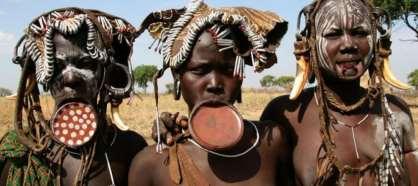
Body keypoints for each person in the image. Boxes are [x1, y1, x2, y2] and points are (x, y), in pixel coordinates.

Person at [128, 0, 290, 185]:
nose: (214, 83)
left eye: (229, 70)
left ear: (241, 76)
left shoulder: (272, 143)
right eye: (200, 70)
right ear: (177, 77)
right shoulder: (151, 164)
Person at [260, 0, 418, 185]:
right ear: (310, 44)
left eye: (359, 33)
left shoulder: (395, 112)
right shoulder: (286, 113)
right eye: (333, 34)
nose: (348, 44)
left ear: (376, 41)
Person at [0, 7, 147, 185]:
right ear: (43, 76)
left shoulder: (130, 150)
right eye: (57, 66)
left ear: (107, 74)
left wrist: (173, 147)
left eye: (85, 63)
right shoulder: (20, 153)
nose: (70, 78)